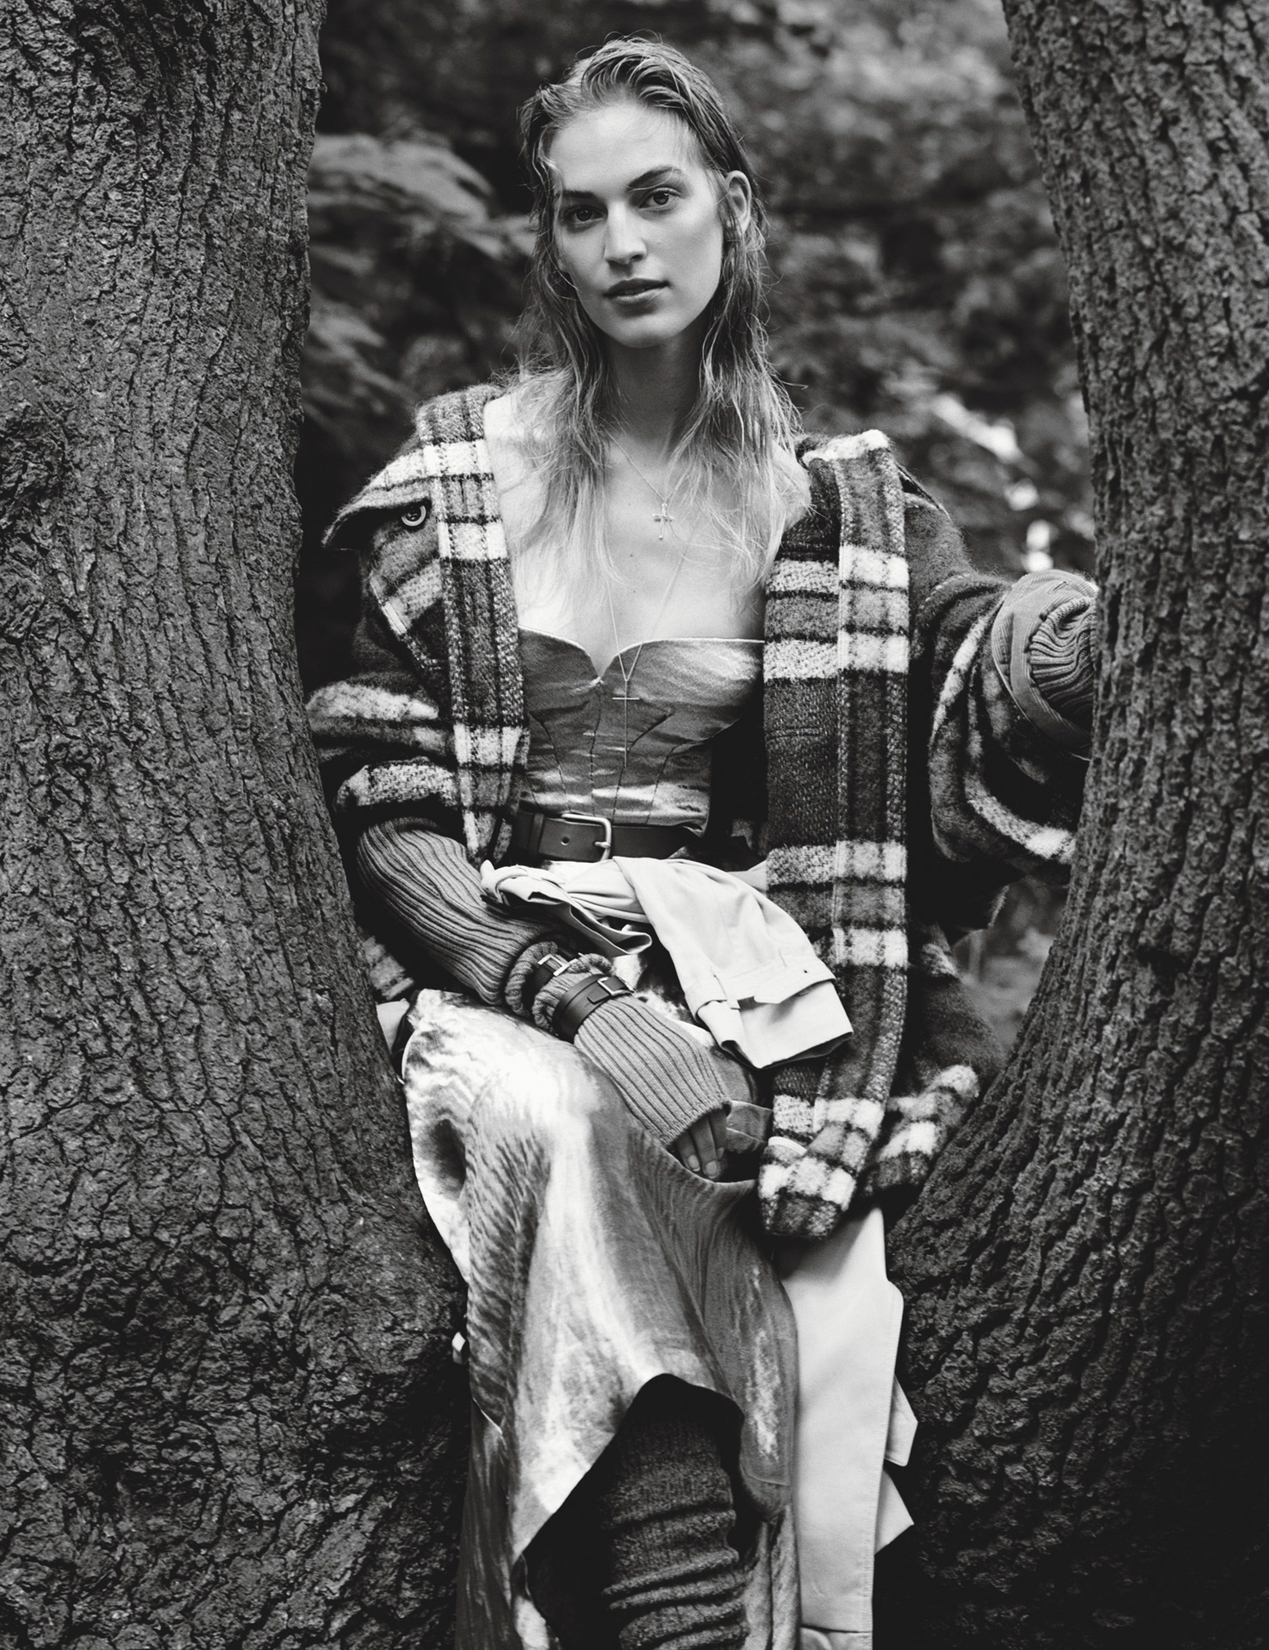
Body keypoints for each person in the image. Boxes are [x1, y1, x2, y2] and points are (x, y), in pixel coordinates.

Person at [307, 38, 1097, 1650]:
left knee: (764, 1190)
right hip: (491, 964)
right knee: (564, 1113)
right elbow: (386, 811)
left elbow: (954, 675)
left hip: (731, 961)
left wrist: (1062, 639)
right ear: (550, 241)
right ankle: (675, 1609)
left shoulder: (827, 507)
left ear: (730, 208)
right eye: (579, 211)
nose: (620, 244)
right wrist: (573, 998)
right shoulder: (462, 475)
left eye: (655, 198)